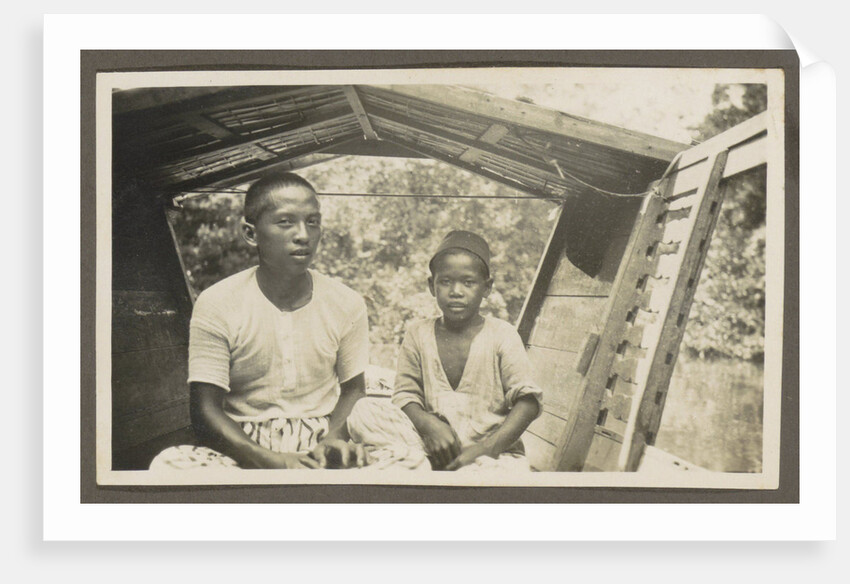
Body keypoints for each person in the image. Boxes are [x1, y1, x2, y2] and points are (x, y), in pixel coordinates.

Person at [150, 172, 368, 470]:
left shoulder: (346, 302)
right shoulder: (218, 302)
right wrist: (273, 461)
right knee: (169, 464)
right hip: (241, 445)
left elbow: (354, 390)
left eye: (312, 221)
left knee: (408, 461)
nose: (303, 235)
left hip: (322, 440)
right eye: (285, 222)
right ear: (250, 233)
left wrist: (333, 439)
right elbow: (205, 409)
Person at [347, 230, 543, 472]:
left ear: (487, 287)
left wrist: (486, 448)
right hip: (431, 445)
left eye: (468, 282)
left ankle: (425, 466)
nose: (456, 291)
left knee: (504, 472)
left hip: (490, 453)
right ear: (432, 285)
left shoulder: (502, 334)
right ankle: (428, 462)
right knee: (363, 410)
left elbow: (528, 402)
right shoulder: (418, 333)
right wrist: (430, 426)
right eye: (446, 282)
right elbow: (405, 396)